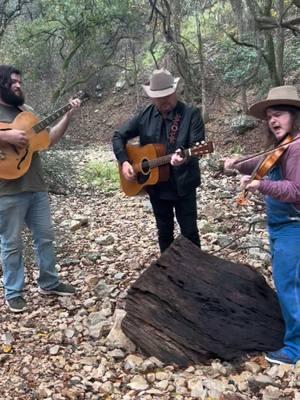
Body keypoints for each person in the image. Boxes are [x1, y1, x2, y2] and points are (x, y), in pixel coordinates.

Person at [224, 85, 300, 365]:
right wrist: (239, 165)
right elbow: (263, 161)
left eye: (279, 114)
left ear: (294, 115)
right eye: (270, 116)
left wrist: (260, 185)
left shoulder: (298, 147)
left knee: (289, 285)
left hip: (294, 227)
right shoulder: (286, 145)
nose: (273, 121)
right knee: (292, 283)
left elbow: (297, 190)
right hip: (283, 227)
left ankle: (294, 349)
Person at [0, 64, 81, 313]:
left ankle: (49, 282)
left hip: (36, 185)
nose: (18, 85)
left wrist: (67, 115)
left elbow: (49, 139)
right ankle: (13, 292)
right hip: (6, 189)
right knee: (11, 243)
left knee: (45, 237)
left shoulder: (27, 112)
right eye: (13, 81)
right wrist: (6, 137)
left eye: (20, 82)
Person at [112, 68, 205, 253]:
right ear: (152, 97)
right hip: (156, 187)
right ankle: (168, 274)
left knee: (190, 233)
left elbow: (197, 148)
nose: (165, 101)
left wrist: (183, 158)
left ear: (175, 91)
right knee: (164, 233)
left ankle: (197, 274)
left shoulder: (191, 114)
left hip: (183, 185)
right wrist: (124, 162)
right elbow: (118, 136)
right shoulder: (145, 115)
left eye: (168, 95)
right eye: (160, 98)